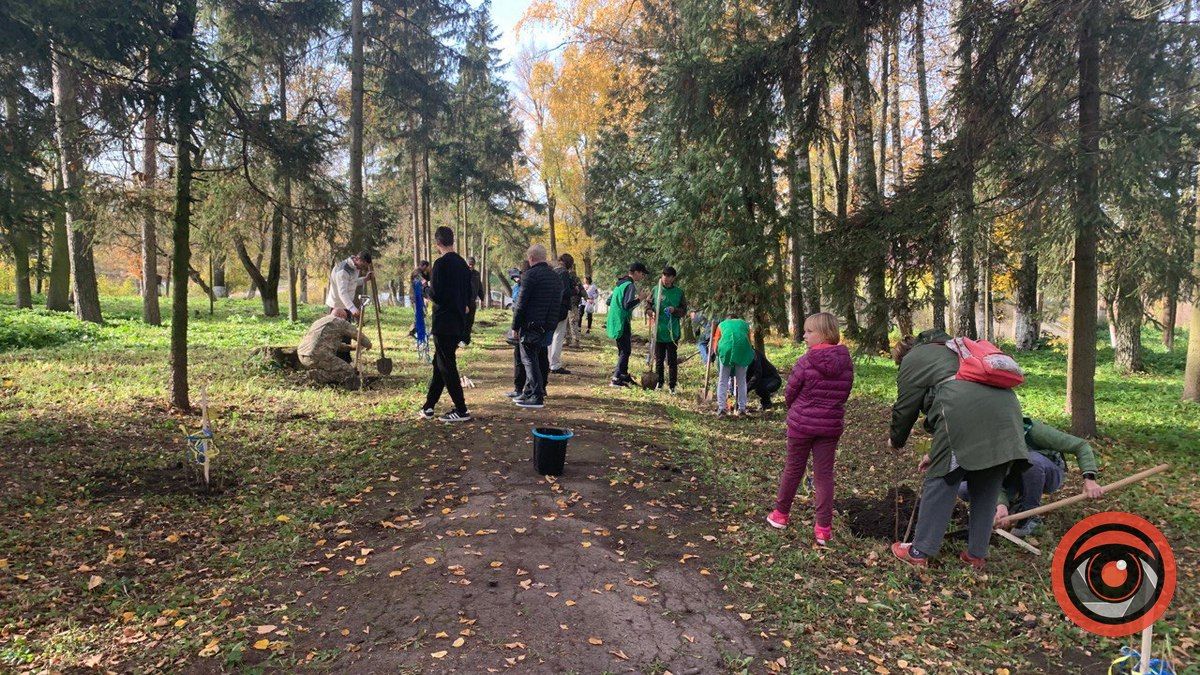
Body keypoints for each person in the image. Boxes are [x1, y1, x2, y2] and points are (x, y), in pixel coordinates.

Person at [889, 329, 1028, 571]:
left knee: (940, 480)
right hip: (1007, 416)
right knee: (986, 484)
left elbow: (905, 407)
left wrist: (896, 440)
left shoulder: (913, 358)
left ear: (903, 355)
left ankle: (919, 551)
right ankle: (976, 555)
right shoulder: (955, 350)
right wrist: (935, 454)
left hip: (963, 414)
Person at [767, 313, 853, 546]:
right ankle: (823, 529)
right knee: (824, 475)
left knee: (793, 468)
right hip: (830, 426)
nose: (804, 336)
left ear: (824, 334)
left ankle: (780, 514)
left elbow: (790, 392)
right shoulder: (845, 362)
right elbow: (844, 393)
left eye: (809, 331)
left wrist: (797, 409)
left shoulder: (806, 361)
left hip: (801, 425)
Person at [959, 417, 1103, 537]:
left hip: (1045, 473)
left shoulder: (1032, 430)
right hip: (1012, 478)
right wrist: (1001, 505)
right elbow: (990, 478)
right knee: (964, 487)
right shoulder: (986, 445)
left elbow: (1080, 446)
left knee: (1032, 461)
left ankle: (1030, 515)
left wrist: (1089, 479)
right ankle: (1013, 506)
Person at [419, 228, 473, 423]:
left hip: (444, 322)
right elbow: (469, 294)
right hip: (458, 320)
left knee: (447, 365)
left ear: (437, 244)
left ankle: (461, 409)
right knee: (440, 364)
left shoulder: (440, 264)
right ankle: (429, 406)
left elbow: (437, 295)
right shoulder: (462, 264)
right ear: (452, 241)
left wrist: (425, 288)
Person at [511, 245, 562, 408]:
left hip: (531, 324)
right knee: (540, 356)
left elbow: (521, 304)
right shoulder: (555, 277)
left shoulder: (530, 275)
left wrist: (515, 326)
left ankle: (536, 395)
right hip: (549, 324)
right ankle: (530, 391)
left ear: (531, 258)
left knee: (528, 359)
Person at [297, 314, 370, 387]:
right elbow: (357, 335)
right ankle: (316, 376)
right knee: (348, 371)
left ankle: (317, 373)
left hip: (302, 355)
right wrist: (368, 344)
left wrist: (352, 347)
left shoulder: (319, 322)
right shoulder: (340, 322)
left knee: (333, 367)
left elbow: (330, 345)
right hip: (318, 356)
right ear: (341, 316)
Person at [607, 262, 649, 387]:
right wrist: (640, 298)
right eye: (642, 274)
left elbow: (609, 301)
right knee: (625, 351)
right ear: (636, 272)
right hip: (622, 321)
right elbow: (627, 305)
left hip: (615, 320)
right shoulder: (630, 285)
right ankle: (615, 378)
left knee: (622, 349)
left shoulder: (620, 284)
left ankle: (623, 376)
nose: (643, 277)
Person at [649, 266, 687, 394]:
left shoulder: (679, 292)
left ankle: (672, 386)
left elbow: (683, 311)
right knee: (659, 360)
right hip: (659, 331)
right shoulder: (656, 290)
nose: (665, 278)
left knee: (672, 361)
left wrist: (674, 310)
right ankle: (659, 383)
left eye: (668, 276)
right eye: (664, 275)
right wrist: (649, 311)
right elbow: (648, 304)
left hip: (672, 333)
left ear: (673, 278)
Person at [712, 315, 755, 416]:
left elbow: (715, 345)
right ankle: (742, 409)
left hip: (726, 350)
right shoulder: (744, 324)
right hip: (742, 350)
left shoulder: (722, 325)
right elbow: (749, 342)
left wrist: (718, 355)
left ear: (727, 319)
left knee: (723, 380)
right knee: (741, 381)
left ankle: (722, 409)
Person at [550, 253, 584, 375]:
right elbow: (564, 291)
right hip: (561, 308)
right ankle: (554, 364)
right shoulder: (564, 273)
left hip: (551, 307)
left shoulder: (553, 271)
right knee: (558, 336)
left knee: (551, 336)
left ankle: (548, 362)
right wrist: (575, 290)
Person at [326, 251, 373, 320]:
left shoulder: (355, 267)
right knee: (335, 326)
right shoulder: (343, 271)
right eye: (363, 265)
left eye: (365, 266)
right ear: (357, 259)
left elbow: (352, 282)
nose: (362, 268)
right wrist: (352, 308)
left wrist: (365, 279)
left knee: (346, 327)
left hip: (346, 305)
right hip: (336, 306)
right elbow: (342, 292)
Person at [506, 264, 528, 398]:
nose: (516, 279)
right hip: (533, 325)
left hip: (524, 325)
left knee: (522, 358)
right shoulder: (516, 287)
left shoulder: (525, 286)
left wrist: (515, 327)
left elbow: (519, 307)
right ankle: (524, 388)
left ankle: (521, 388)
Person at [465, 256, 485, 342]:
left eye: (472, 264)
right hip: (464, 301)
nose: (471, 266)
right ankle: (461, 339)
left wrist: (482, 299)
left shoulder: (476, 274)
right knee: (464, 320)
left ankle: (467, 339)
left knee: (470, 320)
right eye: (469, 264)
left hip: (472, 301)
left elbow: (479, 287)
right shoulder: (462, 273)